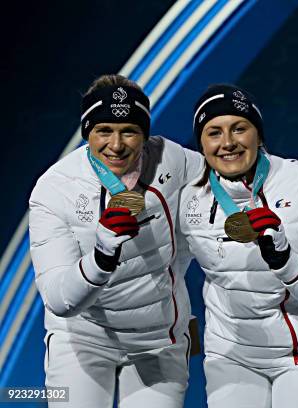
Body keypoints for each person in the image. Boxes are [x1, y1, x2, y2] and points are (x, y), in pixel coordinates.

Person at [29, 74, 204, 407]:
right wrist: (102, 256)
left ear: (145, 134)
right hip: (83, 340)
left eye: (129, 131)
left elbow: (228, 174)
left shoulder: (172, 159)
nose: (117, 144)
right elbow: (59, 299)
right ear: (87, 133)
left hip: (159, 340)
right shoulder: (54, 189)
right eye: (104, 131)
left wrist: (295, 172)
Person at [178, 84, 298, 408]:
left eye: (239, 128)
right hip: (231, 355)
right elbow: (166, 275)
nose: (227, 143)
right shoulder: (189, 201)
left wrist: (285, 259)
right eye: (214, 133)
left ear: (258, 134)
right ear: (201, 142)